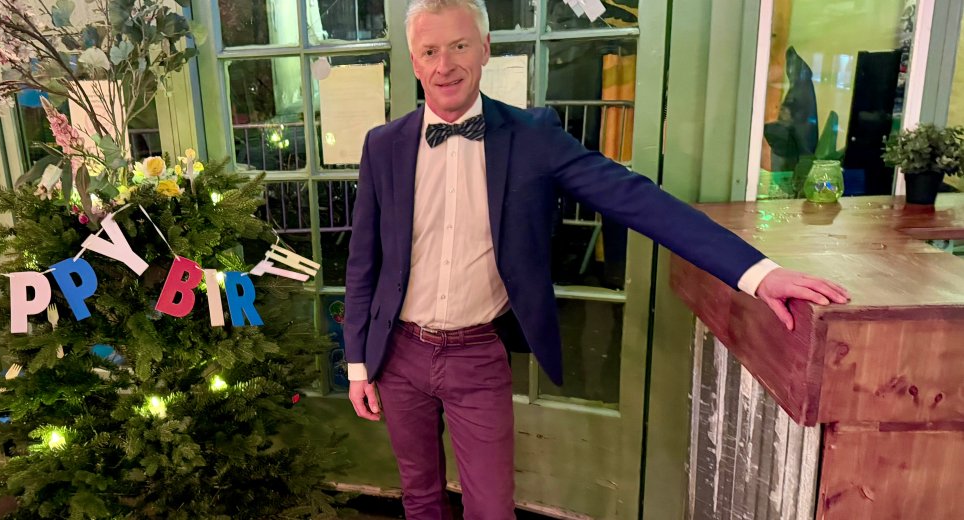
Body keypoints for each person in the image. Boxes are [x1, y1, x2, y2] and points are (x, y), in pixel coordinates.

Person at [342, 0, 850, 518]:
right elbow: (363, 263)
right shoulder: (384, 145)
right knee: (420, 497)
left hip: (477, 356)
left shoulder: (533, 136)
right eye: (430, 51)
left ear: (485, 49)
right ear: (414, 60)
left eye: (459, 46)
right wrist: (358, 363)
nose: (445, 65)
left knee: (491, 509)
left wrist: (758, 273)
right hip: (399, 353)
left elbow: (637, 199)